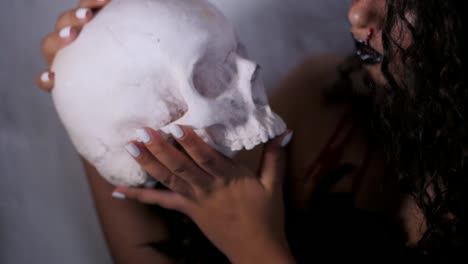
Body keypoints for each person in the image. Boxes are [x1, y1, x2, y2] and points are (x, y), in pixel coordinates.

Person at [37, 0, 467, 263]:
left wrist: (255, 249)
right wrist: (94, 97)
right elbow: (170, 244)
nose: (357, 12)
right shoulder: (329, 99)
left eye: (413, 1)